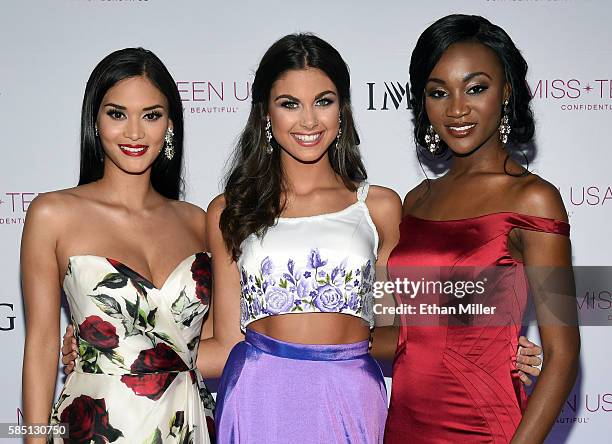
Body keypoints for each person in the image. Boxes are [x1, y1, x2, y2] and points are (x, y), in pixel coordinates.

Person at [59, 34, 544, 443]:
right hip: (258, 390)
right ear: (265, 114)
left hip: (351, 390)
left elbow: (400, 328)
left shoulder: (378, 207)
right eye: (289, 103)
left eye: (324, 102)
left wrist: (492, 342)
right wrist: (107, 341)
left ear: (342, 111)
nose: (308, 120)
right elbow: (223, 340)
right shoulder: (230, 210)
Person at [383, 14, 580, 443]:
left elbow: (563, 356)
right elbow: (408, 332)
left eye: (476, 88)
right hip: (405, 425)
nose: (456, 109)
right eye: (438, 92)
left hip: (484, 427)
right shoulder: (416, 200)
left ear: (506, 91)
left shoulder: (534, 199)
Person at [21, 48, 214, 443]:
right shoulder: (52, 214)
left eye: (151, 115)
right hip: (97, 426)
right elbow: (40, 344)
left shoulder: (199, 222)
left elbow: (215, 344)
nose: (134, 132)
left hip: (188, 423)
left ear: (170, 124)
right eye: (117, 113)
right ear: (95, 120)